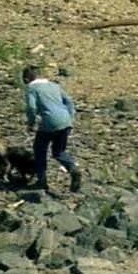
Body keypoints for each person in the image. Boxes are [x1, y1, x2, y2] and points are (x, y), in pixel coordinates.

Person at [21, 64, 82, 193]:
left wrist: (31, 124)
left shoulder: (32, 89)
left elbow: (31, 108)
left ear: (26, 79)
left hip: (49, 122)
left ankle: (42, 181)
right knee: (59, 151)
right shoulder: (55, 86)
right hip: (65, 120)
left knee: (40, 150)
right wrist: (70, 118)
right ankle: (72, 167)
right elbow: (69, 102)